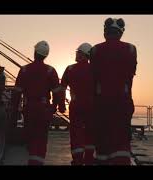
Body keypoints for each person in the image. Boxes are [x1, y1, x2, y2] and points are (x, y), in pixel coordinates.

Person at [90, 18, 137, 165]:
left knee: (102, 143)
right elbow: (130, 74)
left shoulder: (95, 50)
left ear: (105, 32)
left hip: (101, 103)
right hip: (122, 103)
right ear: (121, 33)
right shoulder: (131, 49)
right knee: (121, 142)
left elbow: (93, 76)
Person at [12, 41, 60, 165]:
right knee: (41, 139)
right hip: (44, 109)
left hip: (29, 108)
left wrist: (14, 110)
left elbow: (17, 93)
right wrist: (54, 108)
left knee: (31, 137)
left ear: (34, 53)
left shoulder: (24, 70)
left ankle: (32, 158)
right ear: (46, 55)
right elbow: (57, 93)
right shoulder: (50, 71)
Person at [58, 43, 95, 165]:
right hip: (92, 106)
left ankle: (77, 159)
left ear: (82, 54)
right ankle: (89, 158)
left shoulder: (70, 69)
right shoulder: (95, 69)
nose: (76, 54)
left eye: (78, 52)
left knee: (76, 132)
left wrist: (61, 105)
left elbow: (62, 88)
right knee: (90, 131)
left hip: (76, 105)